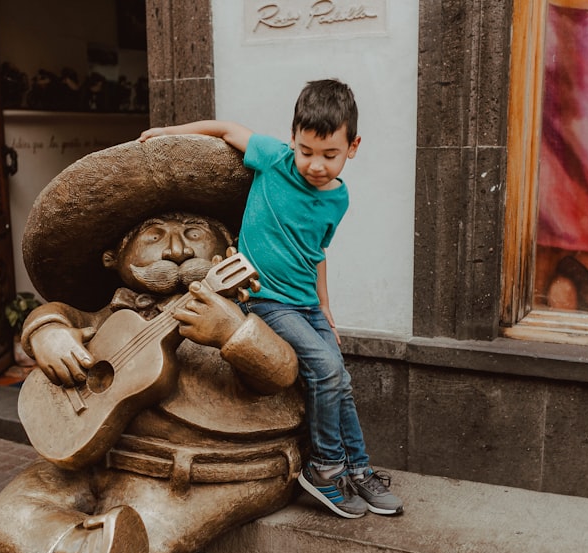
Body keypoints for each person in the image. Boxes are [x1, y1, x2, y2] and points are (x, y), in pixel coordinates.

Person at [0, 138, 306, 553]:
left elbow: (283, 372)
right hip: (103, 457)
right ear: (115, 257)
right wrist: (47, 333)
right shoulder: (108, 315)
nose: (176, 250)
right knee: (8, 517)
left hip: (210, 473)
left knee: (145, 546)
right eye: (154, 237)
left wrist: (235, 332)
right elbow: (55, 314)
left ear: (227, 251)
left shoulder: (248, 301)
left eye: (194, 235)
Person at [139, 78, 403, 519]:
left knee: (341, 381)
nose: (315, 165)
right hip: (266, 301)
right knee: (324, 369)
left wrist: (326, 308)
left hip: (306, 305)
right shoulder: (273, 159)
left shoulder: (337, 199)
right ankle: (324, 469)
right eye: (306, 151)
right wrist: (167, 133)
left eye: (329, 155)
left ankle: (358, 469)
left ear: (352, 147)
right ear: (293, 139)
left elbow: (317, 253)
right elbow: (225, 129)